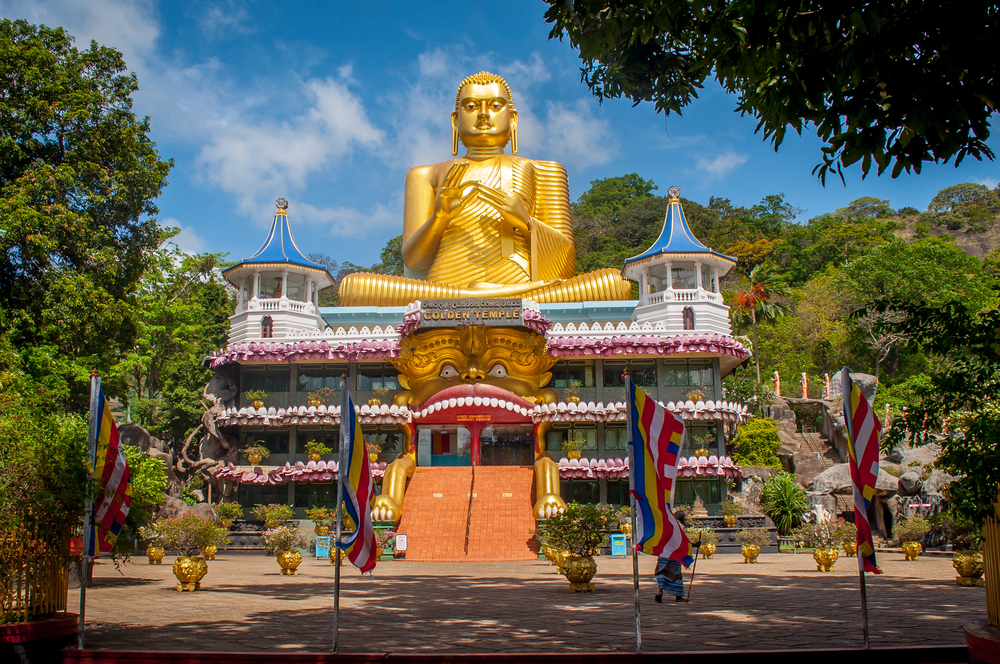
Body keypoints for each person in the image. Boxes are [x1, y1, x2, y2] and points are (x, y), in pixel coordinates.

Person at [654, 509, 694, 603]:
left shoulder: (666, 525)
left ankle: (660, 591)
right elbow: (682, 542)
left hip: (664, 553)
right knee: (676, 575)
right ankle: (678, 596)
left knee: (661, 573)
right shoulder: (681, 527)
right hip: (674, 554)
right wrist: (694, 545)